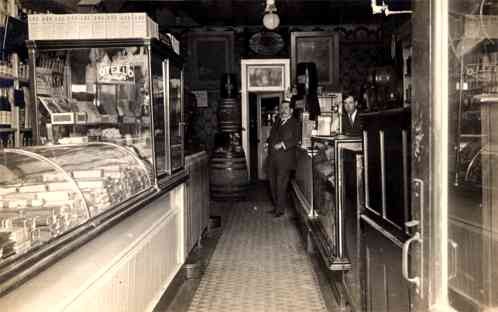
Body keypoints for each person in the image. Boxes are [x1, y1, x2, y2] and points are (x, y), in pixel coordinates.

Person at [266, 100, 299, 218]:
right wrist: (267, 142)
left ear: (291, 110)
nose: (283, 110)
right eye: (282, 108)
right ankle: (277, 206)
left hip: (285, 160)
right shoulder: (277, 121)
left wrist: (283, 144)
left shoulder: (295, 123)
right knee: (272, 183)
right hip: (272, 158)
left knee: (281, 184)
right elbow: (272, 136)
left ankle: (280, 209)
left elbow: (296, 139)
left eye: (286, 108)